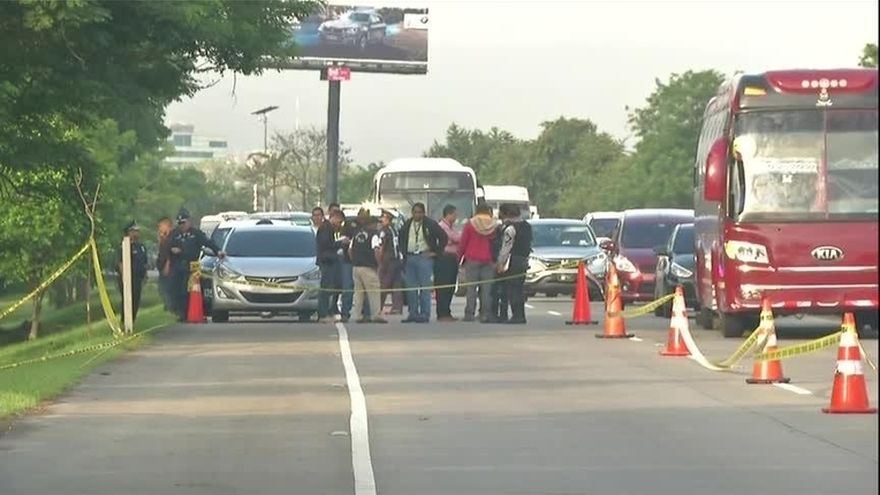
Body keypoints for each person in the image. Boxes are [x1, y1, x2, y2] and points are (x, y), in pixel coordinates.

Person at [169, 209, 225, 322]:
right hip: (178, 265)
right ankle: (182, 314)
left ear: (189, 222)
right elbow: (167, 247)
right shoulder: (174, 234)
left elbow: (208, 243)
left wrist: (218, 251)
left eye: (183, 222)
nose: (182, 225)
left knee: (193, 290)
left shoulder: (196, 234)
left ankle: (196, 312)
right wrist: (171, 251)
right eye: (179, 223)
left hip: (192, 265)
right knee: (179, 291)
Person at [398, 202, 448, 323]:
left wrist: (435, 252)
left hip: (424, 257)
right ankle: (413, 313)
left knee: (425, 288)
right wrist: (403, 252)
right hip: (410, 257)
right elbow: (401, 238)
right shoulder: (407, 224)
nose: (417, 215)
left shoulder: (430, 224)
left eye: (420, 212)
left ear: (423, 213)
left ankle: (425, 314)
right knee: (411, 288)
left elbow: (443, 238)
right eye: (415, 212)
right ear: (412, 213)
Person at [458, 203, 497, 322]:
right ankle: (485, 314)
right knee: (486, 289)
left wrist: (459, 257)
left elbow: (463, 242)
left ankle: (469, 314)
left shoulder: (470, 224)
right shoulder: (494, 225)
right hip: (488, 259)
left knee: (471, 288)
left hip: (472, 258)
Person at [496, 204, 533, 324]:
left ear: (506, 214)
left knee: (513, 289)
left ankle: (517, 316)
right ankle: (520, 314)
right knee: (519, 288)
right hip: (523, 259)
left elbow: (506, 247)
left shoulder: (510, 229)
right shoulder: (527, 226)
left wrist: (500, 263)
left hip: (513, 261)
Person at [349, 212, 387, 324]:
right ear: (372, 224)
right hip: (369, 267)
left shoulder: (357, 234)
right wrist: (379, 264)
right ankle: (376, 315)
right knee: (374, 291)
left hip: (356, 267)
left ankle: (357, 315)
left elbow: (350, 250)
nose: (378, 226)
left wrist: (354, 261)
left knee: (358, 293)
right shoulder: (374, 235)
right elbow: (376, 251)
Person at [316, 209, 349, 323]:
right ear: (335, 217)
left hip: (329, 260)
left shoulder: (328, 228)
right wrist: (340, 243)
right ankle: (323, 314)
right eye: (339, 222)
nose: (339, 225)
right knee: (325, 289)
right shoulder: (326, 228)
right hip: (327, 261)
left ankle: (326, 312)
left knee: (329, 288)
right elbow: (326, 245)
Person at [116, 221, 148, 323]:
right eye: (134, 231)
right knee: (127, 300)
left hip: (138, 278)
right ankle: (124, 322)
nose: (137, 233)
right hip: (127, 278)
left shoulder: (141, 247)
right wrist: (124, 277)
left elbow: (144, 262)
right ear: (129, 232)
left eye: (138, 231)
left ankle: (132, 320)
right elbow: (120, 262)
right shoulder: (124, 245)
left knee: (136, 300)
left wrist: (145, 274)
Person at [434, 204, 461, 322]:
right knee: (444, 286)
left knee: (450, 286)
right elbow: (456, 238)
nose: (456, 217)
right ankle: (442, 313)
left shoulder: (451, 227)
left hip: (452, 258)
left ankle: (447, 312)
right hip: (444, 259)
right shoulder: (442, 227)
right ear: (448, 214)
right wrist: (454, 240)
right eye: (454, 214)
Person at [378, 210, 404, 315]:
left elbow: (382, 246)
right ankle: (397, 308)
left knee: (383, 283)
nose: (381, 220)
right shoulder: (394, 229)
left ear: (387, 219)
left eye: (383, 218)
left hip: (387, 260)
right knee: (396, 284)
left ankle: (378, 307)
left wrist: (380, 261)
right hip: (397, 259)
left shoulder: (384, 231)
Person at [489, 217, 509, 323]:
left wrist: (497, 263)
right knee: (502, 292)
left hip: (497, 265)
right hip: (502, 265)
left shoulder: (494, 240)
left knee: (495, 291)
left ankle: (495, 314)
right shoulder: (501, 239)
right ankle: (503, 314)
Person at [155, 216, 175, 312]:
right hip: (162, 267)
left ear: (167, 225)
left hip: (168, 269)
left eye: (161, 226)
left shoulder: (172, 238)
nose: (159, 228)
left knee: (167, 289)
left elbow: (170, 254)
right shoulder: (163, 238)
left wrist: (167, 265)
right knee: (162, 289)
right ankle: (167, 306)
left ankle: (171, 308)